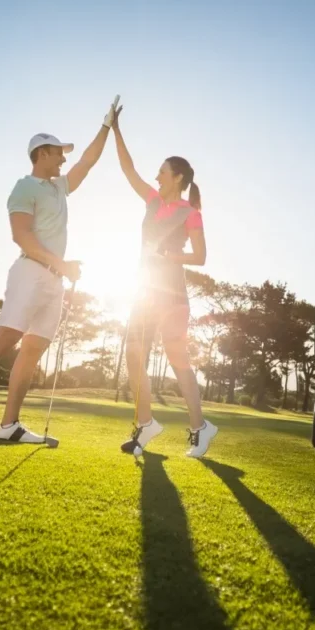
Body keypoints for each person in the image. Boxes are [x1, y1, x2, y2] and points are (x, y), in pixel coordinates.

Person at [0, 101, 118, 443]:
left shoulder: (59, 187)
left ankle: (9, 425)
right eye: (58, 153)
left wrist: (106, 127)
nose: (64, 159)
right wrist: (61, 264)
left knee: (33, 349)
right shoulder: (24, 187)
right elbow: (20, 235)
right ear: (41, 154)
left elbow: (88, 161)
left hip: (54, 280)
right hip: (30, 274)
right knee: (4, 341)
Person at [111, 106, 218, 458]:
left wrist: (170, 257)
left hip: (172, 292)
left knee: (176, 356)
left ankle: (200, 428)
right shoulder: (153, 200)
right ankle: (147, 423)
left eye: (161, 172)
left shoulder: (191, 213)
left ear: (177, 178)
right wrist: (116, 129)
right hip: (145, 290)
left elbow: (200, 256)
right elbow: (128, 170)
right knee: (133, 354)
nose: (156, 177)